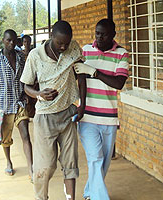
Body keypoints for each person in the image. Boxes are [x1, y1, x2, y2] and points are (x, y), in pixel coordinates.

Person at [20, 20, 86, 200]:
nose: (63, 47)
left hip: (68, 113)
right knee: (46, 165)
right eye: (59, 43)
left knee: (70, 163)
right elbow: (26, 86)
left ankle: (70, 198)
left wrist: (82, 106)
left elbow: (81, 76)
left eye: (66, 42)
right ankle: (41, 197)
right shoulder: (35, 55)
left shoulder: (73, 48)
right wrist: (40, 93)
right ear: (51, 37)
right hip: (45, 118)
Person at [74, 18, 129, 200]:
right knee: (95, 158)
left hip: (109, 118)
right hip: (88, 117)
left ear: (113, 35)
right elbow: (81, 79)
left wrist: (94, 72)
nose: (98, 37)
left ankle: (90, 192)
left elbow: (118, 83)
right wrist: (81, 107)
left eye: (103, 34)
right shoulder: (86, 51)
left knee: (103, 163)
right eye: (97, 33)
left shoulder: (121, 54)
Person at [0, 29, 33, 179]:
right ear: (3, 40)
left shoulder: (20, 57)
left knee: (25, 135)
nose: (11, 43)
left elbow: (26, 78)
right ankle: (8, 162)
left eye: (14, 40)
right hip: (3, 106)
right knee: (6, 139)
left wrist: (26, 94)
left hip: (19, 103)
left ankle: (31, 167)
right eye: (8, 40)